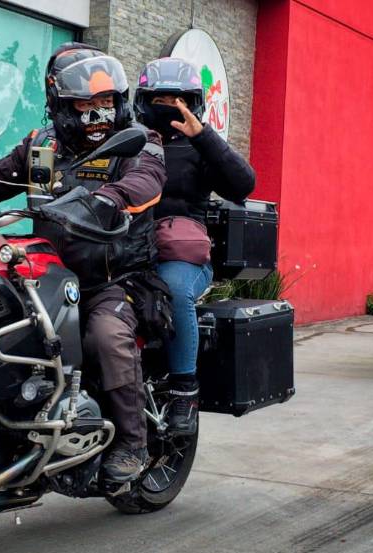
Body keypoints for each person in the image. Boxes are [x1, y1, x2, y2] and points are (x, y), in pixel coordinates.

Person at [0, 43, 167, 482]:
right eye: (85, 102)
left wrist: (110, 197)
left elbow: (146, 181)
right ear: (60, 105)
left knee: (106, 334)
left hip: (116, 277)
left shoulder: (140, 141)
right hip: (43, 276)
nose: (97, 111)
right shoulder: (40, 144)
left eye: (105, 101)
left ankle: (132, 443)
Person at [133, 57, 256, 435]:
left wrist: (202, 135)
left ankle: (185, 389)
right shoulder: (130, 141)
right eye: (161, 99)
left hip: (181, 256)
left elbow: (243, 184)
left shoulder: (200, 149)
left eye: (178, 100)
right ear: (143, 100)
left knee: (173, 290)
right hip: (127, 251)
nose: (169, 107)